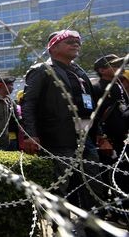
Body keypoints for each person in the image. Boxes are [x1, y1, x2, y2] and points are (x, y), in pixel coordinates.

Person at [21, 30, 102, 213]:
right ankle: (61, 227)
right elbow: (28, 104)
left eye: (77, 42)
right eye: (70, 42)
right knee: (60, 187)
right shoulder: (42, 70)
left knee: (93, 185)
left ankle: (93, 225)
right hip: (58, 139)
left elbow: (92, 107)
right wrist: (31, 135)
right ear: (54, 47)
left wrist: (100, 134)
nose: (76, 45)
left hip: (85, 139)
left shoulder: (79, 72)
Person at [92, 54, 128, 224]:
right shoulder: (98, 89)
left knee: (123, 176)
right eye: (114, 65)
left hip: (122, 140)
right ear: (102, 70)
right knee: (112, 178)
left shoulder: (118, 87)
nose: (119, 68)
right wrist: (102, 138)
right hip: (108, 143)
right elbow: (94, 117)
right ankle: (117, 213)